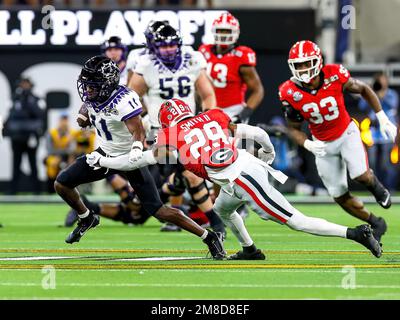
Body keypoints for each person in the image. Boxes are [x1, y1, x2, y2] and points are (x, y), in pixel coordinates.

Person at [87, 98, 383, 260]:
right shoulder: (213, 116)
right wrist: (266, 157)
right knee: (221, 210)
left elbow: (138, 160)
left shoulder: (170, 135)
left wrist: (103, 160)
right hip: (245, 166)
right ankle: (250, 249)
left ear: (165, 123)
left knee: (296, 220)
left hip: (240, 177)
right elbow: (257, 134)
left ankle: (356, 233)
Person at [54, 56, 225, 260]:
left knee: (158, 211)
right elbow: (88, 108)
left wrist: (136, 151)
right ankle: (86, 217)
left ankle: (208, 236)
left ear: (107, 84)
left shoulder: (124, 100)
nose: (87, 90)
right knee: (62, 184)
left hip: (128, 159)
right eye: (87, 85)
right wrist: (84, 114)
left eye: (92, 85)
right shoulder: (95, 96)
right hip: (103, 154)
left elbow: (138, 132)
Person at [278, 40, 398, 244]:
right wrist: (307, 144)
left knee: (360, 175)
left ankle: (377, 188)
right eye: (298, 65)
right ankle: (376, 222)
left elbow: (364, 89)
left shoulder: (335, 74)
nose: (303, 69)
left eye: (307, 63)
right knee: (339, 196)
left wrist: (382, 117)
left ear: (318, 61)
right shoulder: (288, 92)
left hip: (346, 132)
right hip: (322, 144)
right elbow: (293, 128)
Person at [128, 23, 225, 235]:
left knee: (187, 175)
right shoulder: (145, 64)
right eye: (163, 46)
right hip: (159, 131)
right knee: (185, 175)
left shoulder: (192, 59)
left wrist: (207, 119)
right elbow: (130, 99)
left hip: (187, 129)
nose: (169, 49)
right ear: (153, 47)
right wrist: (141, 124)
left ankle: (209, 221)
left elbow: (207, 94)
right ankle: (204, 219)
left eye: (172, 45)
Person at [199, 12, 264, 124]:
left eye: (227, 31)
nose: (223, 34)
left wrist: (243, 114)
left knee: (233, 141)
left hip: (232, 110)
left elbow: (258, 90)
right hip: (208, 109)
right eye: (220, 30)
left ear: (235, 32)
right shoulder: (204, 51)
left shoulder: (241, 55)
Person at [358, 72, 399, 190]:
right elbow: (362, 107)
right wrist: (370, 93)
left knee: (387, 163)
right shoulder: (370, 93)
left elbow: (393, 105)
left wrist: (382, 95)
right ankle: (376, 188)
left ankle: (389, 187)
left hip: (387, 134)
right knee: (372, 162)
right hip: (373, 133)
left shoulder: (391, 94)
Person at [4, 77, 44, 194]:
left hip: (31, 136)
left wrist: (28, 102)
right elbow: (11, 116)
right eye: (22, 84)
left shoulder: (36, 99)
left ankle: (37, 190)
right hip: (17, 136)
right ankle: (13, 190)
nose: (24, 86)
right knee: (16, 163)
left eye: (26, 84)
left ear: (31, 85)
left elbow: (40, 114)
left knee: (32, 163)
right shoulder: (15, 99)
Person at [44, 112, 75, 193]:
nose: (64, 123)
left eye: (66, 120)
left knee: (73, 164)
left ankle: (70, 189)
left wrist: (62, 153)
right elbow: (49, 150)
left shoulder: (71, 133)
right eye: (62, 120)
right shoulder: (51, 133)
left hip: (67, 157)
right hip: (54, 156)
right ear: (59, 121)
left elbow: (72, 150)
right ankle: (51, 189)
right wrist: (61, 153)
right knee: (52, 163)